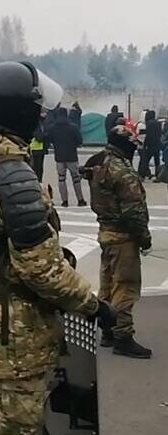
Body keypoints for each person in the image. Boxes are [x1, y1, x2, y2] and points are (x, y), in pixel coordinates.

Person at [0, 61, 114, 434]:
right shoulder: (11, 174)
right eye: (36, 106)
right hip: (10, 337)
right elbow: (39, 269)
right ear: (20, 110)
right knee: (14, 426)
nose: (41, 114)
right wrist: (93, 306)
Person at [86, 125, 152, 358]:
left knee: (107, 285)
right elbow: (134, 210)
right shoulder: (122, 170)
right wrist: (144, 237)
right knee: (125, 286)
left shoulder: (100, 162)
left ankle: (108, 330)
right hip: (124, 236)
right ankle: (123, 336)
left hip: (106, 232)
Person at [47, 107, 87, 207]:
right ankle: (80, 200)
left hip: (59, 156)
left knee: (61, 178)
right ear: (67, 114)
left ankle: (64, 201)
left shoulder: (53, 127)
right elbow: (79, 140)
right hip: (72, 156)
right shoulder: (73, 127)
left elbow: (49, 139)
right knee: (76, 178)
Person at [140, 110, 162, 179]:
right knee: (157, 161)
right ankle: (158, 176)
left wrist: (145, 144)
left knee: (145, 160)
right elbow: (160, 133)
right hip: (157, 144)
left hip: (150, 145)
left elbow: (149, 135)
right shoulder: (158, 123)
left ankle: (142, 175)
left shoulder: (149, 123)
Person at [29, 110, 49, 182]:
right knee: (34, 167)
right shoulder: (35, 122)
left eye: (46, 113)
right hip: (34, 148)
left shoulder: (45, 122)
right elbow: (38, 136)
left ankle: (39, 181)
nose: (45, 114)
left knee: (40, 168)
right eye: (43, 113)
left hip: (41, 148)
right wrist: (45, 135)